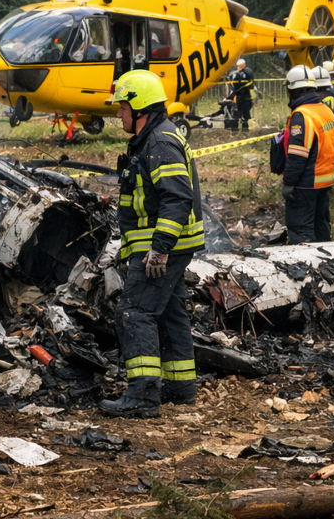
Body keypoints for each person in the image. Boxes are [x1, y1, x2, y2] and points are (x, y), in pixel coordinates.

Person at [100, 71, 203, 418]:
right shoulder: (153, 138)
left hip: (162, 250)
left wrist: (159, 248)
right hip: (166, 245)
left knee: (135, 311)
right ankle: (180, 386)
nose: (119, 115)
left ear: (138, 106)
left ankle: (142, 397)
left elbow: (177, 197)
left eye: (122, 108)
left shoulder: (159, 143)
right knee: (170, 311)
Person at [274, 65, 334, 243]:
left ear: (292, 90)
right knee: (321, 227)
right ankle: (326, 266)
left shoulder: (301, 115)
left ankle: (308, 268)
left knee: (301, 231)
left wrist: (288, 183)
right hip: (324, 181)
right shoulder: (325, 110)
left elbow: (297, 155)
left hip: (306, 184)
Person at [227, 58, 255, 132]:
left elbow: (251, 84)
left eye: (240, 66)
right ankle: (235, 129)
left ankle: (245, 129)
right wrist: (233, 91)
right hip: (238, 96)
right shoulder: (235, 73)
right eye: (238, 66)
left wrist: (251, 94)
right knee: (236, 112)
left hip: (246, 96)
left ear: (244, 65)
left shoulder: (248, 72)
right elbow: (231, 83)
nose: (238, 68)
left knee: (245, 113)